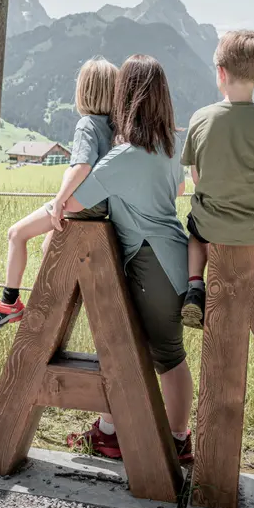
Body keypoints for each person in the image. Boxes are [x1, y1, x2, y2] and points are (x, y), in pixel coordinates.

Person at [59, 54, 194, 462]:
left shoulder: (124, 156)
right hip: (175, 256)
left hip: (149, 263)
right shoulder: (169, 147)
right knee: (162, 352)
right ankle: (169, 437)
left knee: (159, 355)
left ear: (126, 97)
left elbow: (74, 202)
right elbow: (174, 193)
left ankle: (154, 440)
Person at [0, 57, 118, 331]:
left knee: (16, 234)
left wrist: (59, 201)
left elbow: (81, 166)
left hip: (79, 205)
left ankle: (9, 303)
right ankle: (50, 298)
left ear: (84, 90)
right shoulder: (114, 126)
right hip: (100, 207)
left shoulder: (87, 124)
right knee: (47, 246)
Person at [179, 30, 254, 329]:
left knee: (195, 235)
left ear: (221, 72)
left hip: (211, 223)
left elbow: (197, 178)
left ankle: (195, 285)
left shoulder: (201, 118)